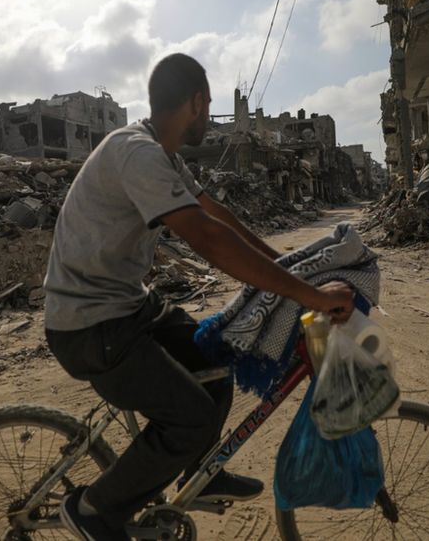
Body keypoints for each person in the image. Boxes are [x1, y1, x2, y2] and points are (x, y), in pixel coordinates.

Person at [43, 53, 355, 540]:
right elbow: (203, 239)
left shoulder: (162, 156)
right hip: (90, 325)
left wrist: (290, 268)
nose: (208, 119)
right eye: (208, 109)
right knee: (188, 419)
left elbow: (214, 216)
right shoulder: (136, 153)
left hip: (127, 306)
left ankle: (199, 471)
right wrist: (307, 294)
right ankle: (92, 509)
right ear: (197, 102)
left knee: (218, 354)